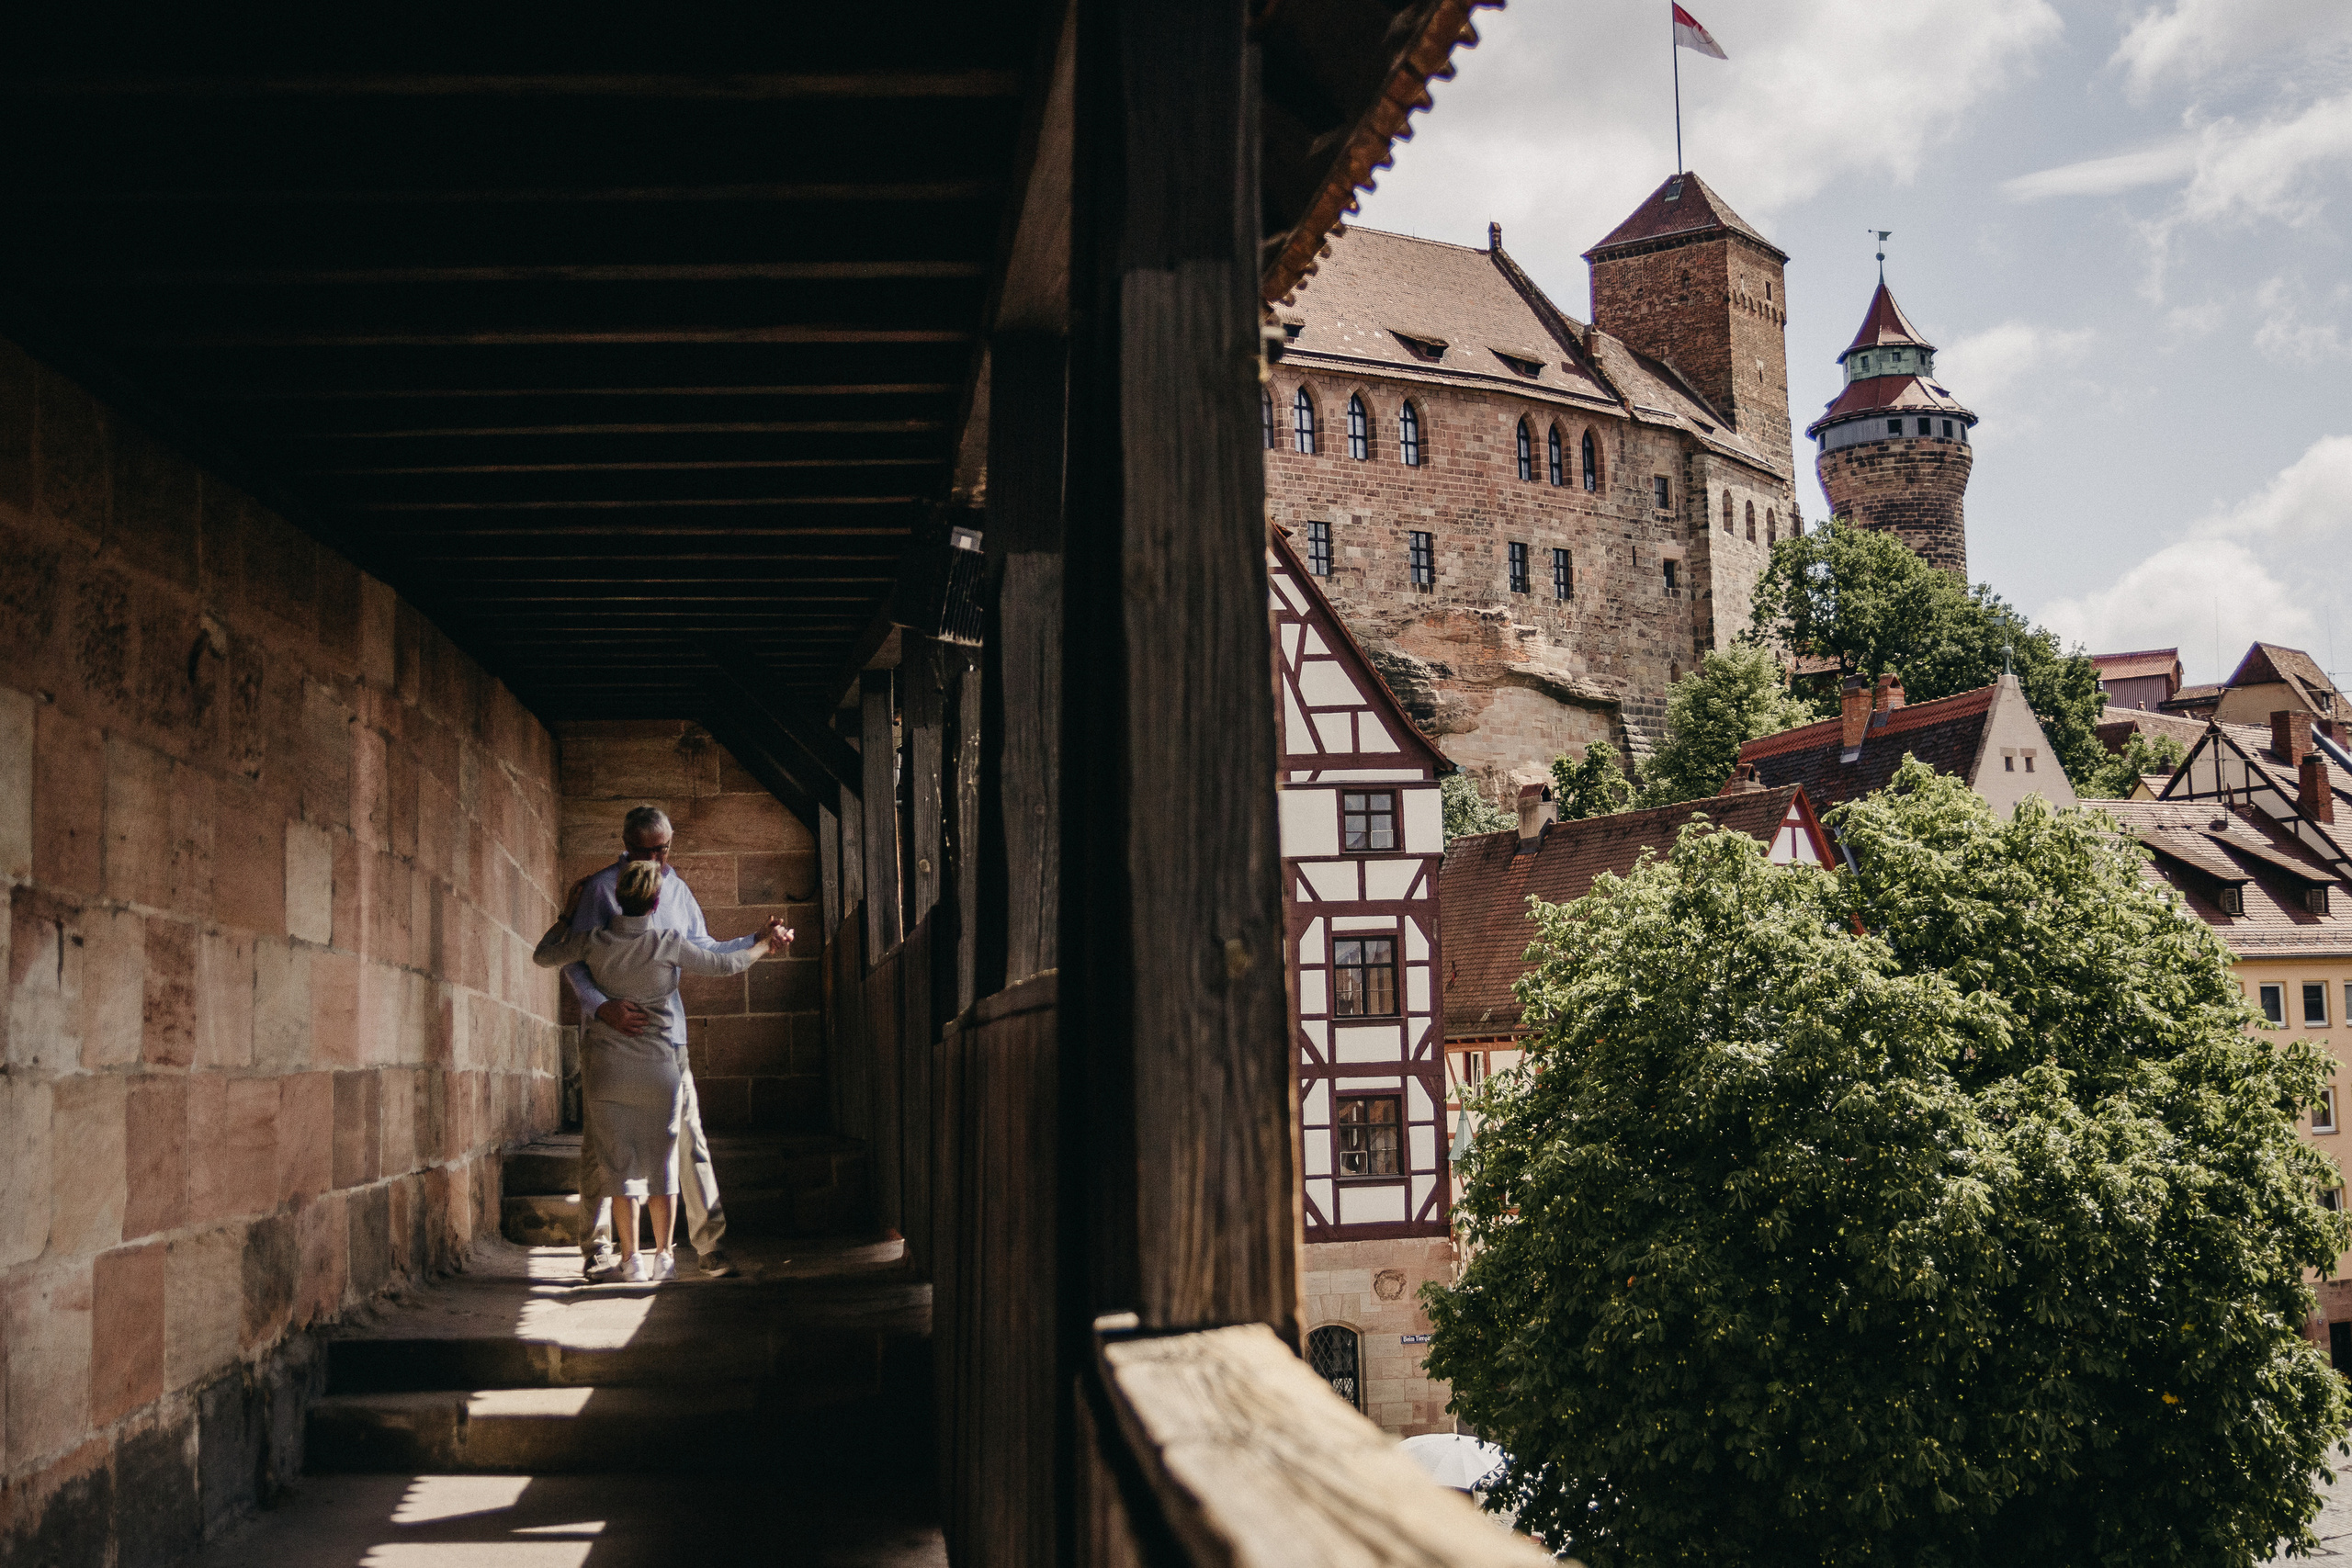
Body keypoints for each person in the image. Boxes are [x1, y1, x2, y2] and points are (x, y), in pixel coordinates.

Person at [536, 859, 792, 1280]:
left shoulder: (592, 941)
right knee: (664, 1164)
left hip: (609, 1069)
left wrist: (566, 913)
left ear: (615, 898)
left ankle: (630, 1259)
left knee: (616, 1165)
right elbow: (722, 963)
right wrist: (762, 944)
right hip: (660, 1068)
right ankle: (665, 1258)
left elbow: (543, 955)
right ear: (658, 902)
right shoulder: (667, 942)